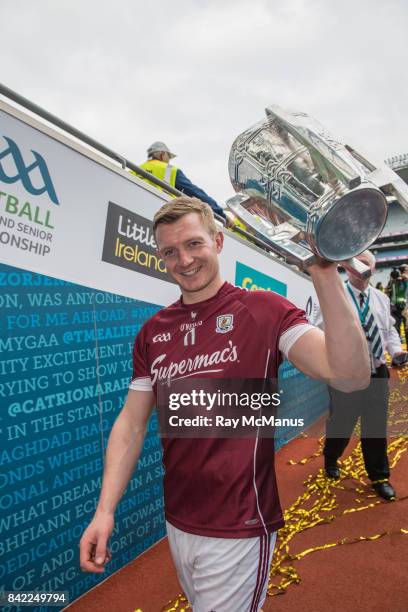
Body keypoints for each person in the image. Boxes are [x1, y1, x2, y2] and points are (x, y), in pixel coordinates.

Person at [80, 197, 370, 611]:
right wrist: (104, 510)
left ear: (218, 241)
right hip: (179, 521)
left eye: (194, 244)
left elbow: (350, 375)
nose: (184, 259)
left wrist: (324, 272)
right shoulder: (152, 332)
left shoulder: (264, 309)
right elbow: (131, 423)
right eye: (170, 251)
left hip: (241, 525)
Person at [317, 251, 407, 500]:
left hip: (377, 372)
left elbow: (389, 332)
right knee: (342, 424)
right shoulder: (334, 295)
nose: (362, 269)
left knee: (375, 426)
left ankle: (379, 477)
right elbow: (317, 330)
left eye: (367, 264)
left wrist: (396, 351)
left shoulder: (379, 298)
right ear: (346, 266)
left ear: (374, 268)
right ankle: (331, 457)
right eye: (357, 263)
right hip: (345, 374)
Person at [138, 141, 226, 221]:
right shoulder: (169, 170)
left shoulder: (136, 169)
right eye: (168, 156)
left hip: (137, 211)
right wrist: (220, 213)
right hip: (162, 216)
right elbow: (195, 192)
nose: (169, 161)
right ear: (162, 155)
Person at [385, 266, 408, 341]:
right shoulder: (391, 282)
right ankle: (398, 349)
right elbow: (387, 292)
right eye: (406, 270)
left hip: (405, 307)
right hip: (395, 308)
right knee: (396, 328)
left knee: (407, 328)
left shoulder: (405, 280)